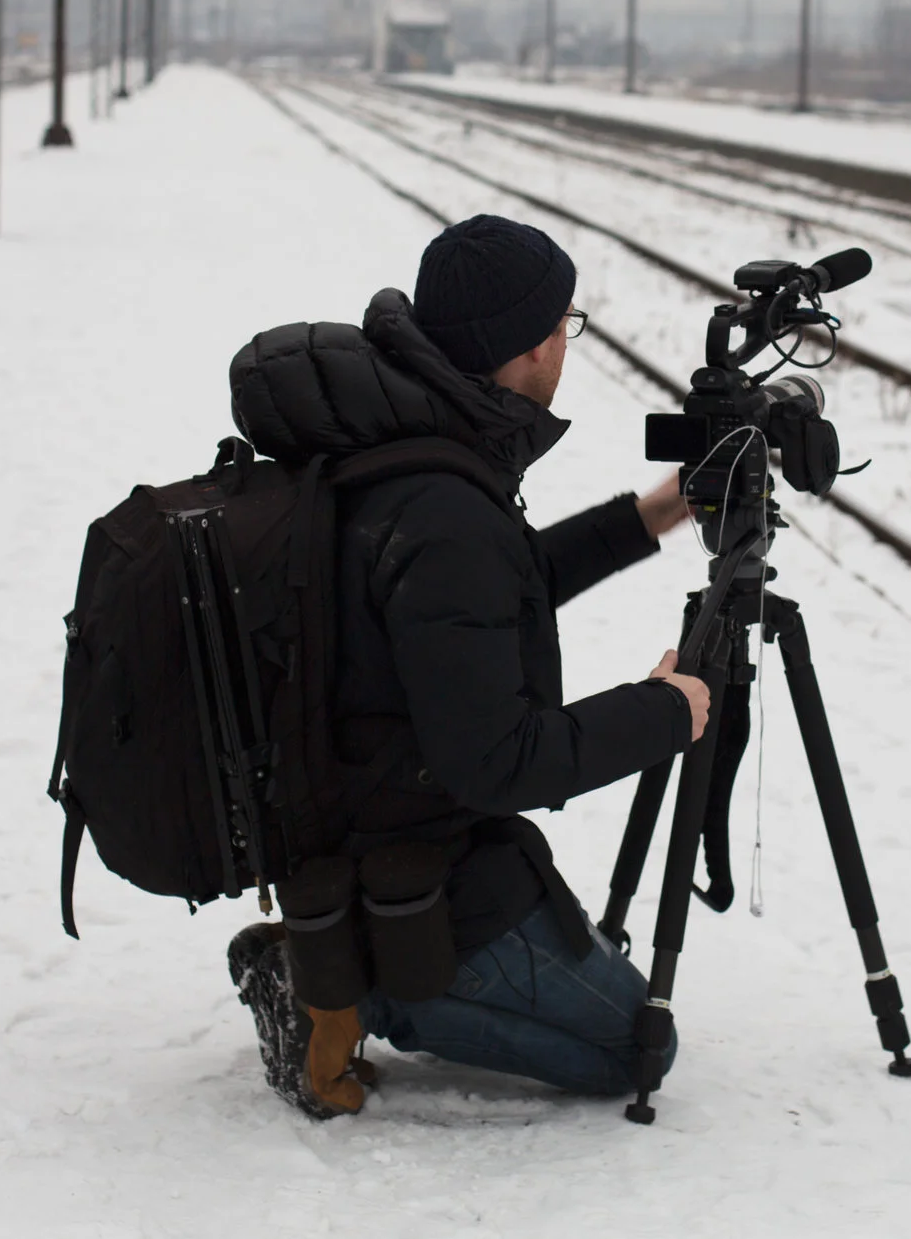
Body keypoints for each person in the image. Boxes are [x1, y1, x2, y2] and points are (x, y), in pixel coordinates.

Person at [222, 213, 711, 1116]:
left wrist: (650, 517)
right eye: (564, 325)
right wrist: (663, 711)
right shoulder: (444, 509)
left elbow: (479, 603)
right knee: (634, 1046)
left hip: (367, 802)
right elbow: (498, 759)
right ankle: (344, 980)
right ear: (526, 348)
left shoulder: (402, 435)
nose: (566, 343)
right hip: (418, 857)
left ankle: (344, 954)